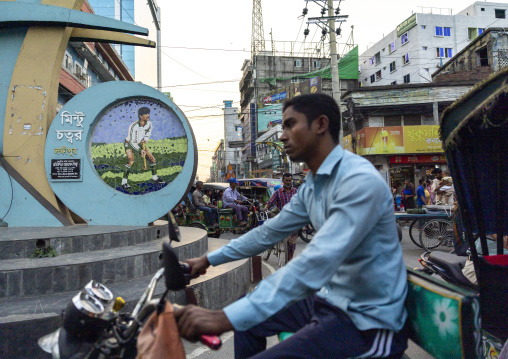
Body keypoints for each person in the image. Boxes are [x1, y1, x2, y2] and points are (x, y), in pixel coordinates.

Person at [175, 94, 408, 359]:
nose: (282, 136)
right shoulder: (313, 186)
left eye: (290, 125)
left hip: (367, 321)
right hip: (329, 300)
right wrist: (207, 259)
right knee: (247, 318)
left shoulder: (358, 180)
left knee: (241, 315)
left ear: (320, 124)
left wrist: (222, 318)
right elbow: (268, 232)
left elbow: (316, 260)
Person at [121, 107, 165, 189]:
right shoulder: (133, 126)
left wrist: (145, 139)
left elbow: (148, 132)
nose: (148, 115)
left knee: (152, 158)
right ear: (141, 116)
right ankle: (124, 182)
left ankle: (155, 178)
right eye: (146, 114)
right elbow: (131, 141)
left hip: (140, 143)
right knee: (131, 160)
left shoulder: (149, 124)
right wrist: (140, 150)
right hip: (130, 143)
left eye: (148, 113)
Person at [263, 173, 299, 261]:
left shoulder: (296, 191)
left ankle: (290, 258)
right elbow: (270, 202)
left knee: (292, 242)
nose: (288, 182)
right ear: (283, 181)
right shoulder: (278, 192)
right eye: (286, 180)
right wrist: (266, 207)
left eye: (290, 180)